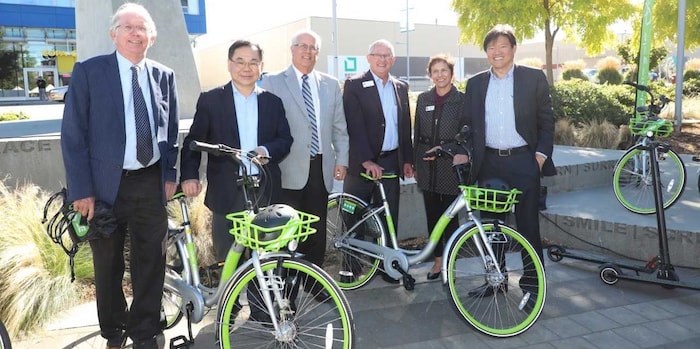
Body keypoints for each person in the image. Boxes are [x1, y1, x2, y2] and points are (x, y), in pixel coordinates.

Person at [60, 3, 179, 348]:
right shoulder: (89, 72)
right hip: (103, 187)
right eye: (127, 27)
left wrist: (169, 173)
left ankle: (144, 332)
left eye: (142, 28)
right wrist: (81, 190)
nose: (135, 33)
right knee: (108, 264)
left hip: (149, 182)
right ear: (114, 34)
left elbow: (170, 132)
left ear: (151, 37)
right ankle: (113, 331)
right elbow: (73, 135)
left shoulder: (164, 76)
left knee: (151, 261)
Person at [460, 24, 555, 296]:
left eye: (503, 46)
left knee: (527, 225)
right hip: (489, 163)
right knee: (492, 227)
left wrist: (539, 157)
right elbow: (468, 124)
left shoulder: (533, 78)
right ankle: (496, 279)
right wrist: (464, 151)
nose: (497, 52)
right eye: (491, 47)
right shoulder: (476, 83)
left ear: (513, 49)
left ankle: (533, 283)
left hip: (524, 162)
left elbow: (547, 121)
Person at [180, 40, 292, 262]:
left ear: (261, 66)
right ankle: (232, 296)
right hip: (227, 190)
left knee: (267, 255)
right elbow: (193, 140)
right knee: (229, 256)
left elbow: (285, 139)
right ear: (229, 64)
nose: (246, 68)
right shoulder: (211, 100)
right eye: (240, 61)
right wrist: (189, 176)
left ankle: (262, 298)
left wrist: (266, 149)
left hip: (264, 188)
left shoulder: (273, 102)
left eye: (253, 62)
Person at [259, 29, 349, 268]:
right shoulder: (272, 82)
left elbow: (339, 127)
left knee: (316, 229)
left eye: (313, 48)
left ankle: (313, 282)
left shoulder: (330, 84)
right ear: (292, 50)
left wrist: (342, 159)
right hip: (287, 167)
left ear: (318, 53)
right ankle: (287, 289)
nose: (308, 52)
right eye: (302, 46)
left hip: (321, 166)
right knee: (287, 233)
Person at [343, 39, 413, 282]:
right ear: (368, 58)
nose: (382, 59)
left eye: (387, 55)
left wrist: (407, 159)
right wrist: (366, 160)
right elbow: (354, 126)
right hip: (362, 165)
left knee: (388, 217)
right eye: (377, 55)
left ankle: (386, 267)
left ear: (393, 60)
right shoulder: (354, 85)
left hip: (391, 162)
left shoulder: (401, 87)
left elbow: (404, 126)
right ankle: (350, 268)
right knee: (354, 218)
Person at [413, 55, 464, 280]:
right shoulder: (423, 99)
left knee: (451, 219)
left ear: (452, 74)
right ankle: (436, 262)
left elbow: (466, 134)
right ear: (430, 75)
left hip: (450, 167)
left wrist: (447, 149)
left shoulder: (462, 100)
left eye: (444, 70)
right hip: (427, 168)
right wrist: (416, 161)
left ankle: (450, 263)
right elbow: (416, 133)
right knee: (432, 216)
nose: (440, 75)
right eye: (435, 71)